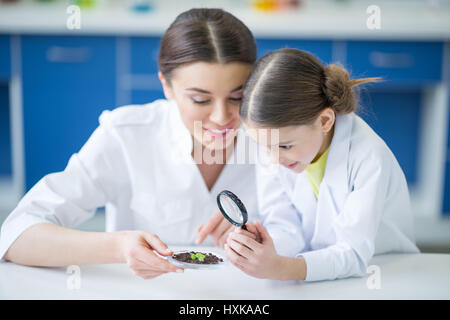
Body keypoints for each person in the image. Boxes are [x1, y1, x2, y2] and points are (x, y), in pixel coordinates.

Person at [0, 8, 259, 280]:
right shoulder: (127, 135)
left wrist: (266, 238)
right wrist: (119, 246)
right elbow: (15, 235)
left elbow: (303, 243)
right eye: (200, 100)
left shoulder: (274, 138)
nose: (221, 118)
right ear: (166, 86)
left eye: (237, 97)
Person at [224, 48, 420, 282]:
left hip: (383, 271)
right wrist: (267, 244)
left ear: (325, 121)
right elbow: (285, 222)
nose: (273, 159)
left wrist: (281, 268)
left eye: (285, 146)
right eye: (264, 146)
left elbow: (353, 254)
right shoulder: (272, 142)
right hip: (316, 269)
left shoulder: (368, 158)